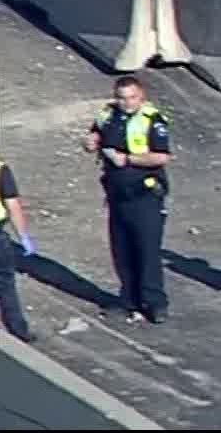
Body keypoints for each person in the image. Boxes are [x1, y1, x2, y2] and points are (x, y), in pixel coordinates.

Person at [85, 75, 173, 324]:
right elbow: (94, 136)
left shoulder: (152, 121)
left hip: (144, 196)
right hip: (116, 194)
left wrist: (128, 159)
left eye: (132, 97)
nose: (127, 103)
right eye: (122, 98)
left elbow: (161, 157)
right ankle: (129, 300)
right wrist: (91, 142)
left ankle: (155, 303)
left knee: (147, 250)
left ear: (141, 96)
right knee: (122, 250)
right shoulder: (107, 116)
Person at [0, 157, 37, 342]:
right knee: (6, 283)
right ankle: (18, 329)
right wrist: (23, 237)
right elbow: (12, 205)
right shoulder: (0, 168)